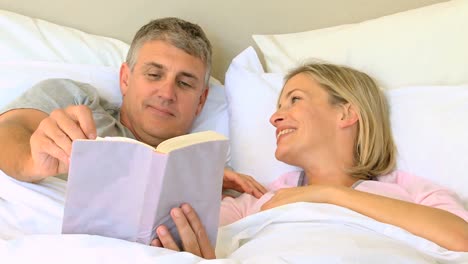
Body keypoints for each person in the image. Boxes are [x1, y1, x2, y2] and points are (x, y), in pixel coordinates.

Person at [152, 62, 468, 257]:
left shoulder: (413, 192)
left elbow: (461, 240)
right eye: (278, 105)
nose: (275, 117)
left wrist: (329, 194)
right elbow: (165, 233)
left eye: (295, 100)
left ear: (346, 112)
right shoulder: (256, 198)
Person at [0, 18, 266, 196]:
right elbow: (9, 130)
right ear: (125, 79)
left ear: (201, 102)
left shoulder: (212, 172)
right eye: (154, 74)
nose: (167, 93)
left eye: (184, 83)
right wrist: (30, 162)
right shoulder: (78, 102)